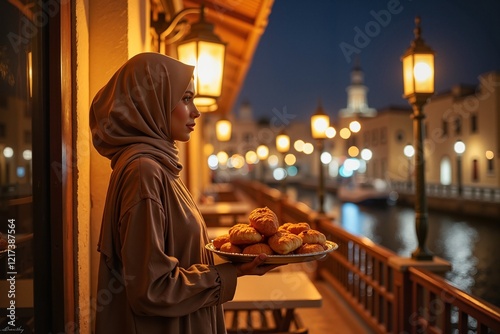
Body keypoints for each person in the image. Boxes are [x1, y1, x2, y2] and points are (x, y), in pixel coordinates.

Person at [90, 52, 279, 334]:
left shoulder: (160, 167)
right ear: (151, 102)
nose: (196, 112)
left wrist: (234, 258)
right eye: (186, 98)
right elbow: (151, 289)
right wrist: (231, 272)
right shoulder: (144, 172)